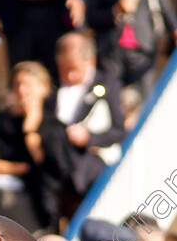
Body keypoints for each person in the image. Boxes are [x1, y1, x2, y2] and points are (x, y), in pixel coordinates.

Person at [0, 60, 73, 232]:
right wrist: (17, 168)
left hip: (32, 202)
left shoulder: (53, 127)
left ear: (43, 87)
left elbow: (49, 165)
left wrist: (30, 128)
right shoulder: (0, 120)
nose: (22, 90)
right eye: (18, 84)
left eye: (28, 85)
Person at [49, 32, 126, 221]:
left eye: (74, 68)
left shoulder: (108, 85)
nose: (69, 75)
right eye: (63, 69)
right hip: (57, 167)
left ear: (90, 60)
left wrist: (88, 138)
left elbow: (118, 131)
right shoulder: (53, 86)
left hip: (89, 165)